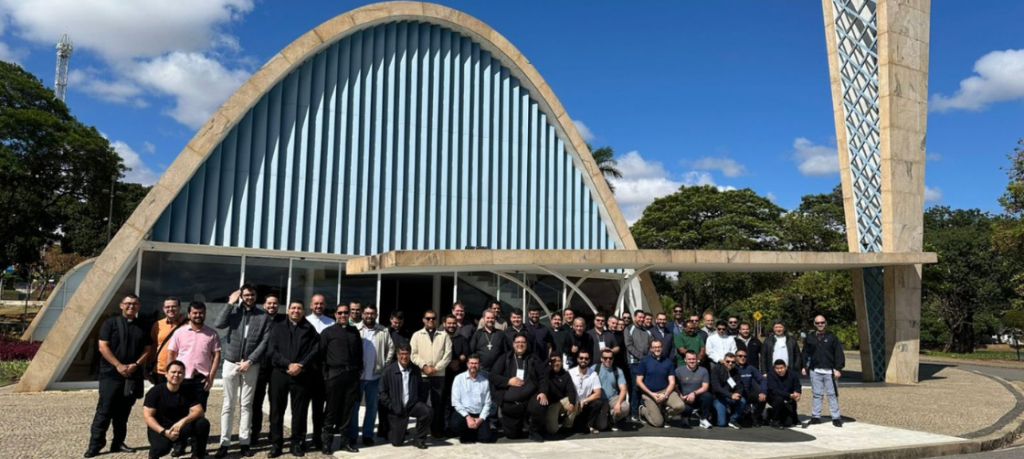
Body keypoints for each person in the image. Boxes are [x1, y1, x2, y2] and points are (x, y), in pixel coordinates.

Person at [85, 294, 152, 458]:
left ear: (139, 306)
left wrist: (136, 365)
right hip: (111, 375)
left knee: (123, 413)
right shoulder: (110, 323)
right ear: (121, 305)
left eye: (135, 303)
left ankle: (118, 442)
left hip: (132, 376)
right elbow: (102, 346)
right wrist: (118, 365)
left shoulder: (142, 325)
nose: (131, 306)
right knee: (104, 410)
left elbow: (148, 348)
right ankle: (95, 445)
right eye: (128, 303)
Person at [215, 284, 273, 457]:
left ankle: (244, 442)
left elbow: (264, 341)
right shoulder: (233, 313)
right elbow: (219, 323)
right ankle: (224, 443)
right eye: (246, 295)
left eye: (252, 295)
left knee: (246, 405)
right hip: (230, 362)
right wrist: (230, 303)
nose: (249, 297)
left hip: (250, 365)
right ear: (241, 296)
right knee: (228, 404)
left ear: (256, 296)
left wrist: (250, 361)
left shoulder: (263, 316)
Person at [266, 300, 320, 458]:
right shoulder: (277, 327)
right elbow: (272, 350)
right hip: (280, 374)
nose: (296, 311)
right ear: (288, 310)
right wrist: (288, 364)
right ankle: (276, 444)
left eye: (299, 308)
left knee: (300, 411)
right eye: (293, 308)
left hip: (301, 374)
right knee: (276, 410)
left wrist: (301, 365)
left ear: (303, 311)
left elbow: (315, 350)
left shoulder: (309, 329)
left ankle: (296, 443)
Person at [142, 360, 211, 459]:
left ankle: (197, 455)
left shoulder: (186, 391)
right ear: (166, 374)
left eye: (180, 373)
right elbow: (148, 417)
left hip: (179, 427)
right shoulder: (155, 392)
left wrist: (183, 421)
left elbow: (199, 410)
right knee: (161, 449)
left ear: (183, 376)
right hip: (161, 428)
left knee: (202, 423)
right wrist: (164, 432)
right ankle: (153, 455)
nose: (176, 375)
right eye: (173, 372)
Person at [489, 333, 550, 442]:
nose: (520, 344)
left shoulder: (533, 358)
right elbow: (492, 377)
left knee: (541, 403)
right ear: (513, 344)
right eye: (517, 342)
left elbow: (543, 377)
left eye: (523, 342)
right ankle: (520, 423)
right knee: (512, 435)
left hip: (528, 401)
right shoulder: (505, 358)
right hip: (510, 406)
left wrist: (543, 392)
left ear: (527, 344)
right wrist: (508, 381)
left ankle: (534, 430)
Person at [349, 304, 395, 447]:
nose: (369, 316)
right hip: (358, 377)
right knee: (354, 408)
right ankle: (352, 435)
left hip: (375, 377)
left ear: (376, 315)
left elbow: (391, 348)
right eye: (367, 313)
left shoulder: (383, 330)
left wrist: (385, 365)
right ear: (362, 314)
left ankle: (368, 435)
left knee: (372, 407)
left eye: (372, 313)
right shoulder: (355, 329)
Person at [320, 304, 362, 455]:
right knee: (331, 410)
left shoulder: (354, 332)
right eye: (340, 313)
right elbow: (322, 355)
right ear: (335, 314)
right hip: (334, 375)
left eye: (346, 312)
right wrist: (326, 376)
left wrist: (359, 370)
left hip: (351, 376)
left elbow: (359, 352)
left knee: (347, 411)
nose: (343, 315)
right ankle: (327, 444)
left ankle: (345, 442)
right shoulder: (328, 332)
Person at [167, 301, 220, 414]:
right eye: (195, 313)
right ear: (189, 314)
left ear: (205, 314)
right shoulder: (179, 332)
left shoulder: (212, 334)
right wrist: (169, 374)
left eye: (201, 313)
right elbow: (171, 353)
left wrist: (211, 377)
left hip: (201, 379)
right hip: (182, 377)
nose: (198, 315)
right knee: (180, 410)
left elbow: (216, 356)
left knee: (199, 412)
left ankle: (198, 432)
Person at [378, 343, 432, 449]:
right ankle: (390, 429)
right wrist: (392, 406)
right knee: (397, 443)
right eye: (402, 354)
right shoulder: (388, 371)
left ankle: (419, 439)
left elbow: (420, 387)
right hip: (397, 408)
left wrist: (418, 401)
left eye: (407, 354)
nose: (404, 357)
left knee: (427, 411)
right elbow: (382, 392)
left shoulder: (415, 370)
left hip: (411, 405)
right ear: (397, 355)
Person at [410, 310, 452, 439]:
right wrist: (424, 366)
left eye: (433, 318)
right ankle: (420, 431)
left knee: (437, 404)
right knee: (421, 404)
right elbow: (413, 354)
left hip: (439, 375)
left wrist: (436, 368)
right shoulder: (417, 335)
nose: (431, 321)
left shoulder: (444, 335)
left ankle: (436, 430)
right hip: (423, 375)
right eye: (428, 318)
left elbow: (448, 354)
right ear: (423, 320)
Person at [302, 294, 334, 451]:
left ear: (325, 305)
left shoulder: (331, 323)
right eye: (316, 303)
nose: (318, 306)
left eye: (321, 303)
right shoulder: (304, 321)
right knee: (301, 407)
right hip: (306, 370)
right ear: (310, 305)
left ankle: (317, 437)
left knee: (318, 408)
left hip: (322, 372)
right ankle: (300, 438)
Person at [803, 314, 846, 427]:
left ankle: (836, 417)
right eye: (817, 323)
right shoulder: (810, 337)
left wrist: (838, 368)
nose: (820, 325)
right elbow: (805, 353)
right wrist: (804, 366)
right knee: (817, 394)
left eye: (822, 322)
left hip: (830, 371)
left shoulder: (832, 337)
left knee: (832, 394)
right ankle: (816, 416)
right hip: (815, 370)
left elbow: (838, 354)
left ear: (825, 323)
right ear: (814, 324)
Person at [250, 294, 281, 446]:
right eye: (269, 303)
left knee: (275, 402)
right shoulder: (257, 318)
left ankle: (273, 433)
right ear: (264, 305)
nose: (272, 306)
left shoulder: (284, 321)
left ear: (278, 305)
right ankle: (254, 433)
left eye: (275, 303)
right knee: (256, 403)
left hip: (276, 368)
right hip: (260, 366)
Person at [635, 340, 683, 428]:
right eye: (655, 347)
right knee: (658, 423)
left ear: (662, 348)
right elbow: (638, 381)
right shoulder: (644, 361)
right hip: (649, 393)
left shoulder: (668, 362)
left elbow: (672, 382)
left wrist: (665, 395)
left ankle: (666, 415)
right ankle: (643, 410)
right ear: (651, 349)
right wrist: (652, 394)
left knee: (680, 406)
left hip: (665, 391)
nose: (657, 349)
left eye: (659, 347)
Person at [450, 354, 493, 443]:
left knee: (486, 438)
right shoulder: (459, 379)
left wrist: (480, 419)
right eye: (471, 363)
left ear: (479, 365)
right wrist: (468, 417)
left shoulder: (485, 381)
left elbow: (487, 403)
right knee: (455, 424)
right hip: (464, 413)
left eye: (476, 363)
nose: (473, 365)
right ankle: (468, 431)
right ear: (467, 364)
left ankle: (473, 430)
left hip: (478, 413)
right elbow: (455, 401)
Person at [443, 314, 470, 437]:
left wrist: (458, 361)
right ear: (444, 324)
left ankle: (457, 427)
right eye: (449, 323)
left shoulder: (462, 338)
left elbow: (466, 353)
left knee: (458, 402)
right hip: (443, 376)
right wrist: (448, 363)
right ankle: (446, 427)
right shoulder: (440, 338)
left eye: (453, 323)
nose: (451, 325)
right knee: (446, 403)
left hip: (459, 376)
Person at [569, 351, 607, 433]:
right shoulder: (570, 373)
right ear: (577, 359)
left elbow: (598, 393)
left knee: (598, 403)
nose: (583, 360)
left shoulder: (593, 374)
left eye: (586, 358)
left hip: (585, 405)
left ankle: (589, 425)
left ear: (589, 361)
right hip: (573, 404)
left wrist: (584, 401)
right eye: (581, 358)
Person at [149, 297, 184, 385]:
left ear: (179, 308)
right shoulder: (158, 325)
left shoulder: (187, 325)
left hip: (179, 372)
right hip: (160, 370)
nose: (170, 309)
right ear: (163, 309)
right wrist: (148, 366)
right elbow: (153, 347)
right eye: (167, 307)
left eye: (173, 306)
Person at [674, 350, 713, 429]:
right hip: (685, 398)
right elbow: (675, 387)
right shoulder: (679, 370)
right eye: (689, 359)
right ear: (685, 360)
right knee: (684, 407)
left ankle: (703, 419)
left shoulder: (703, 370)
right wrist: (681, 396)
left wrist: (694, 393)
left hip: (697, 396)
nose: (691, 361)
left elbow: (705, 387)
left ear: (697, 359)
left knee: (707, 396)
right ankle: (685, 418)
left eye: (693, 359)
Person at [624, 310, 651, 422]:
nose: (641, 319)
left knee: (644, 388)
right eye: (639, 317)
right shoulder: (629, 329)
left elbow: (651, 346)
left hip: (645, 364)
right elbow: (629, 346)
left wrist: (647, 358)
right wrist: (642, 357)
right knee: (635, 388)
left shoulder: (647, 332)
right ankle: (634, 413)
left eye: (642, 318)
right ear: (635, 317)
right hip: (634, 363)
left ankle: (642, 412)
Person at [594, 349, 629, 431]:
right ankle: (603, 419)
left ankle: (612, 419)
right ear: (601, 359)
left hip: (612, 398)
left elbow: (623, 389)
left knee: (625, 407)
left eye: (610, 358)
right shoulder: (595, 368)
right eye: (605, 358)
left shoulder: (618, 371)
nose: (608, 360)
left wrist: (618, 403)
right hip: (598, 399)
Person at [544, 354, 578, 434]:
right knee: (553, 430)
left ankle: (566, 426)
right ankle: (547, 422)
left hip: (561, 401)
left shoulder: (565, 374)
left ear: (562, 362)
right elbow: (541, 368)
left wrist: (572, 403)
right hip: (550, 405)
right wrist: (548, 360)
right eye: (554, 361)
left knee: (575, 403)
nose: (556, 363)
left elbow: (571, 390)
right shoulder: (547, 373)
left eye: (558, 361)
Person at [710, 352, 745, 429]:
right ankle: (716, 415)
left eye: (732, 362)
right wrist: (730, 395)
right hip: (719, 397)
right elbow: (716, 387)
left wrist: (737, 393)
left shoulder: (736, 371)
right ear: (724, 361)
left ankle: (733, 419)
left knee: (742, 400)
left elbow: (740, 385)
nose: (730, 363)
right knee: (721, 424)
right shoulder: (716, 369)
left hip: (731, 396)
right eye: (728, 361)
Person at [735, 350, 766, 427]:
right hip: (738, 393)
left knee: (762, 398)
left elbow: (762, 380)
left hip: (749, 392)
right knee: (745, 424)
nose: (743, 358)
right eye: (740, 356)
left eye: (745, 356)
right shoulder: (733, 368)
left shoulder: (750, 368)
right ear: (735, 357)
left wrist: (763, 392)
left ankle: (755, 417)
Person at [767, 359, 802, 428]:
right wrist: (790, 395)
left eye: (781, 368)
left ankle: (771, 412)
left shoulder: (793, 374)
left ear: (786, 367)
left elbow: (797, 386)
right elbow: (774, 390)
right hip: (774, 397)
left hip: (788, 397)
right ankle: (775, 421)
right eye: (777, 368)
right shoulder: (771, 375)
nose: (779, 370)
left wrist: (797, 394)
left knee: (788, 423)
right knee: (779, 399)